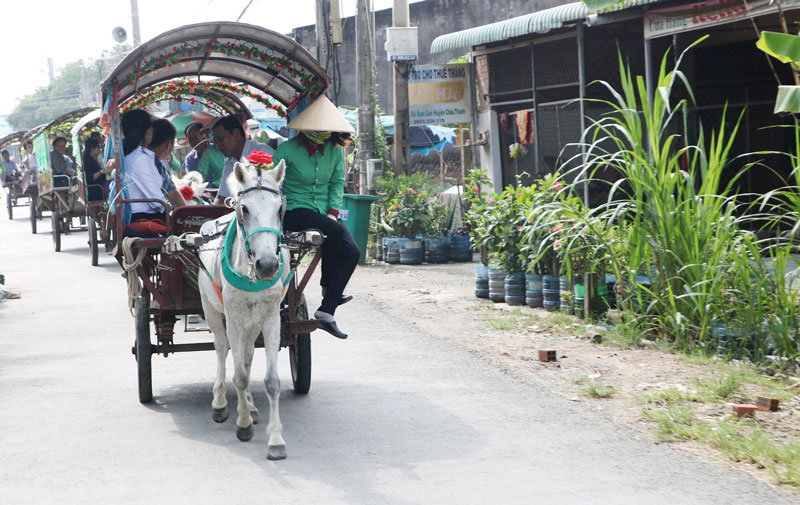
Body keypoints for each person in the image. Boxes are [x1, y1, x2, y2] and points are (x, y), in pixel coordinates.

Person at [272, 95, 358, 339]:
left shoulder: (334, 152)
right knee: (336, 232)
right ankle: (328, 286)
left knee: (352, 251)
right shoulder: (286, 150)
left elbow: (337, 183)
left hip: (323, 213)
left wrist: (332, 212)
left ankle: (326, 311)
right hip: (294, 211)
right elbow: (272, 184)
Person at [122, 110, 185, 223]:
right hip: (144, 218)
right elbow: (156, 201)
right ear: (148, 133)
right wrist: (169, 210)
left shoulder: (137, 155)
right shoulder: (140, 158)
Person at [211, 115, 273, 203]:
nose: (218, 146)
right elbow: (222, 197)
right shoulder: (230, 162)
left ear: (236, 134)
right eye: (215, 142)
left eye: (221, 139)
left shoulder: (262, 153)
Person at [183, 122, 226, 188]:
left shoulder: (218, 149)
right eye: (190, 138)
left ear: (203, 135)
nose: (194, 141)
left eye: (196, 136)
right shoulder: (190, 159)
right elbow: (193, 182)